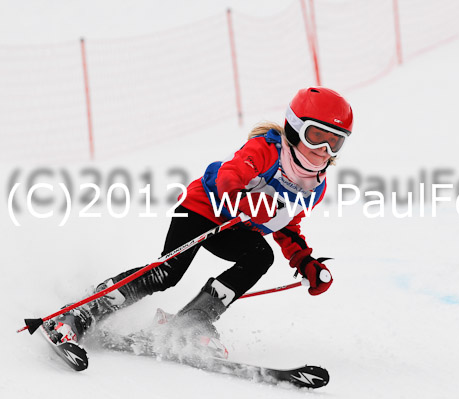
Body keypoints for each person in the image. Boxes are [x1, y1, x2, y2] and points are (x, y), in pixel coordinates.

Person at [43, 86, 354, 347]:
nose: (324, 149)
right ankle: (83, 313)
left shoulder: (315, 186)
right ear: (294, 128)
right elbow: (230, 176)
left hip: (235, 227)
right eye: (317, 136)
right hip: (204, 209)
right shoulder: (266, 150)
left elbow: (287, 224)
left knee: (261, 255)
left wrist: (305, 262)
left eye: (335, 141)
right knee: (168, 272)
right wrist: (245, 200)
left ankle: (194, 320)